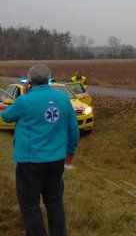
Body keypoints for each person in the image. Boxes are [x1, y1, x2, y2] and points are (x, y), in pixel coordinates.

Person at [1, 64, 80, 235]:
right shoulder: (63, 99)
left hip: (29, 162)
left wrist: (25, 94)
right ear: (49, 78)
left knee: (29, 203)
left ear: (29, 81)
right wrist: (70, 153)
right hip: (56, 160)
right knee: (54, 200)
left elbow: (6, 116)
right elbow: (74, 129)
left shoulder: (24, 100)